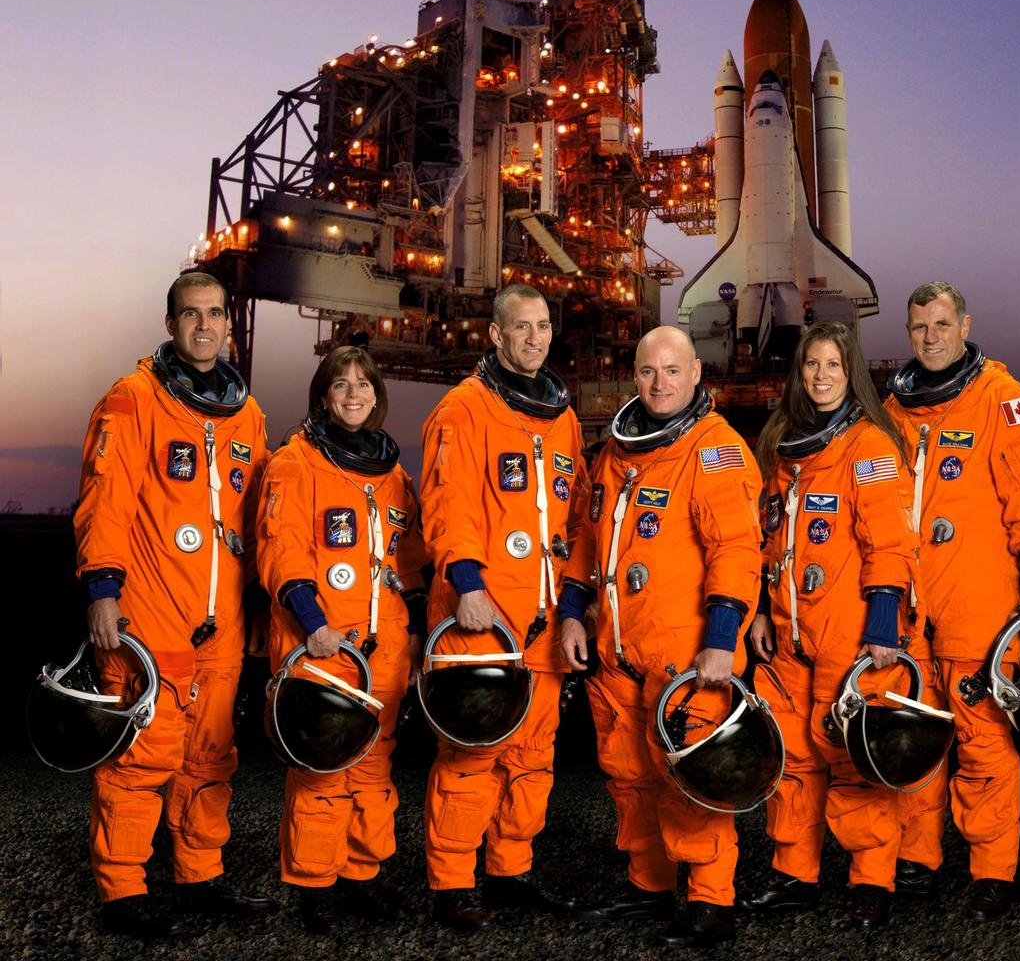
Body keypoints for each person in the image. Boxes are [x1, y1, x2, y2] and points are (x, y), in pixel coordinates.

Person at [74, 272, 274, 938]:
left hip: (223, 619)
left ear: (228, 325)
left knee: (210, 756)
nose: (205, 325)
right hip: (151, 609)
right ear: (170, 324)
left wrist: (264, 602)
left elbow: (258, 519)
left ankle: (199, 877)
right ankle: (123, 892)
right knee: (141, 755)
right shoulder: (133, 399)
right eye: (191, 314)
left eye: (215, 314)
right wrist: (103, 590)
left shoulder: (247, 416)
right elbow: (105, 500)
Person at [559, 325, 763, 949]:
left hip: (687, 653)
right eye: (648, 371)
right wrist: (572, 612)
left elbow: (736, 550)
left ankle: (710, 901)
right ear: (634, 374)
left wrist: (722, 639)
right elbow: (588, 538)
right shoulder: (615, 454)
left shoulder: (715, 450)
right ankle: (648, 885)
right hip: (618, 647)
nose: (659, 383)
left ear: (697, 373)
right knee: (628, 774)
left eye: (673, 371)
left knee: (690, 774)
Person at [883, 281, 1020, 920]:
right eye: (919, 327)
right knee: (914, 731)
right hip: (911, 605)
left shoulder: (1002, 399)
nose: (930, 337)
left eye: (941, 324)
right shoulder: (896, 408)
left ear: (964, 325)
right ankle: (917, 857)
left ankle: (992, 869)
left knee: (982, 736)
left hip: (977, 599)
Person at [740, 320, 918, 930]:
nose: (821, 376)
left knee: (850, 757)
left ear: (852, 373)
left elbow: (890, 543)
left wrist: (884, 625)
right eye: (812, 364)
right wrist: (760, 610)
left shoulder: (869, 446)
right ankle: (796, 874)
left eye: (833, 366)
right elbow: (767, 537)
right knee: (791, 755)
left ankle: (872, 880)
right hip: (789, 631)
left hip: (850, 628)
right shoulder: (782, 442)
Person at [418, 283, 585, 930]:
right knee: (473, 756)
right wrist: (467, 584)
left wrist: (573, 604)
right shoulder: (463, 409)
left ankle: (510, 871)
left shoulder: (563, 418)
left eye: (542, 326)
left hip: (542, 622)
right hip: (481, 619)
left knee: (532, 757)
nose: (535, 338)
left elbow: (576, 516)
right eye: (522, 327)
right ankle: (452, 884)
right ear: (495, 334)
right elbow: (446, 503)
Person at [256, 346, 427, 933]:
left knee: (374, 769)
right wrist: (312, 623)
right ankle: (315, 886)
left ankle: (362, 876)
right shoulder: (295, 463)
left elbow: (410, 564)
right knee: (323, 770)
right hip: (322, 643)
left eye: (364, 384)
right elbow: (280, 551)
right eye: (340, 385)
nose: (354, 394)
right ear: (322, 397)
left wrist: (419, 630)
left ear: (377, 395)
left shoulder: (394, 476)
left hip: (384, 649)